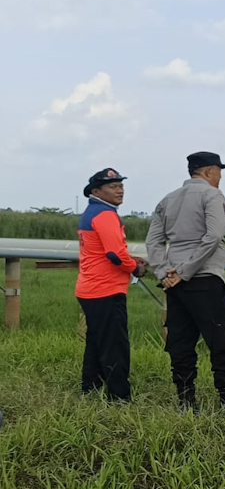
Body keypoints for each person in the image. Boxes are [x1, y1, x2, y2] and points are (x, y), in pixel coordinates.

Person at [146, 151, 225, 413]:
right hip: (205, 279)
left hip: (174, 283)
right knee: (221, 339)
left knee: (180, 341)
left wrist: (164, 273)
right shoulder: (211, 195)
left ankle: (186, 401)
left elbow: (152, 241)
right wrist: (186, 270)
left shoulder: (167, 199)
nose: (220, 176)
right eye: (219, 171)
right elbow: (214, 236)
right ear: (209, 171)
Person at [76, 168, 148, 402]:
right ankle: (119, 397)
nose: (119, 190)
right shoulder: (106, 214)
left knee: (97, 341)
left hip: (90, 288)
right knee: (115, 345)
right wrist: (135, 267)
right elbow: (115, 255)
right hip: (105, 289)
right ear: (96, 191)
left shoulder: (92, 212)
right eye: (113, 187)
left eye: (121, 186)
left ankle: (91, 387)